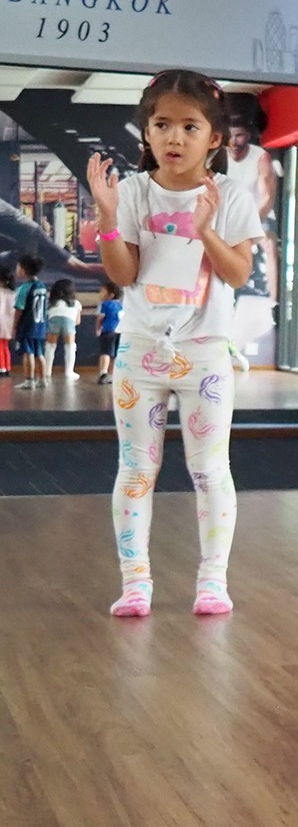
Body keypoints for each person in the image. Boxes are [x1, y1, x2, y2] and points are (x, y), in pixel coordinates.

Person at [86, 72, 265, 618]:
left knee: (210, 470)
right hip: (139, 351)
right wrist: (108, 216)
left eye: (190, 126)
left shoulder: (231, 196)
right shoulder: (133, 192)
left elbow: (238, 274)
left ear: (214, 138)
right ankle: (134, 582)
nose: (175, 137)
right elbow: (124, 273)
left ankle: (213, 581)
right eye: (162, 124)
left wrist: (206, 229)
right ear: (147, 132)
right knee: (136, 470)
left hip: (205, 353)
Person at [229, 113, 280, 298]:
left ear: (248, 136)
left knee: (270, 245)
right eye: (231, 136)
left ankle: (274, 301)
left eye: (239, 135)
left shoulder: (261, 158)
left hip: (258, 215)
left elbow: (267, 197)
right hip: (230, 216)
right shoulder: (219, 157)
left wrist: (249, 224)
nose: (234, 141)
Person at [14, 256, 49, 389]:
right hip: (40, 326)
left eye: (18, 267)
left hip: (27, 326)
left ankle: (29, 380)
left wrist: (14, 326)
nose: (16, 270)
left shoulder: (24, 288)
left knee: (28, 352)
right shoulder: (41, 286)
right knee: (39, 353)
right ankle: (42, 379)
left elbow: (19, 309)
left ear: (24, 270)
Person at [46, 279, 81, 379]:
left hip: (53, 320)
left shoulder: (51, 303)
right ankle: (69, 372)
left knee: (50, 346)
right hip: (69, 323)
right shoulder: (76, 303)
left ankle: (47, 371)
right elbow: (77, 321)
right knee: (70, 346)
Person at [96, 282, 122, 384]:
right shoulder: (120, 305)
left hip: (107, 331)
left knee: (105, 352)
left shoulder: (105, 304)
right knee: (115, 354)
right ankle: (112, 374)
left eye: (103, 291)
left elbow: (100, 318)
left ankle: (103, 373)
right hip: (119, 331)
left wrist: (98, 328)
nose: (100, 293)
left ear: (111, 295)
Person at [0, 263, 14, 377]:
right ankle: (7, 367)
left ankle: (2, 368)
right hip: (9, 324)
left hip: (0, 323)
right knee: (5, 346)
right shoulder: (13, 293)